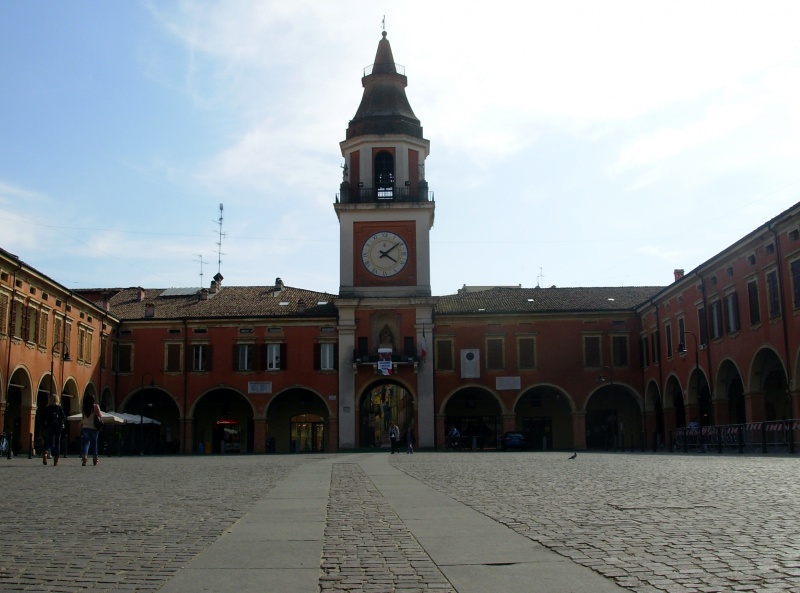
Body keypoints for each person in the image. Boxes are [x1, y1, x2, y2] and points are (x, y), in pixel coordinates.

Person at [42, 393, 67, 466]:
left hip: (50, 426)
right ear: (57, 400)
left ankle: (46, 452)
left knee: (49, 441)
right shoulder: (59, 408)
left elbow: (43, 418)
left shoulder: (47, 408)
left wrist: (45, 426)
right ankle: (56, 460)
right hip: (58, 427)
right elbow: (64, 417)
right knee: (57, 443)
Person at [81, 394, 103, 466]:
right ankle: (95, 459)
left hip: (85, 427)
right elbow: (100, 416)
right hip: (94, 428)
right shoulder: (96, 406)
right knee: (94, 443)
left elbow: (83, 417)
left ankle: (84, 456)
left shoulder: (84, 407)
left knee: (86, 443)